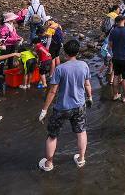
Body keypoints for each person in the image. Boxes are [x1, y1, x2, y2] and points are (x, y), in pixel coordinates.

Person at [38, 40, 92, 172]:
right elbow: (87, 84)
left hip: (62, 107)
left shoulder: (60, 69)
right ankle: (81, 159)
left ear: (65, 52)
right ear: (77, 52)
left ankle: (49, 164)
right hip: (79, 105)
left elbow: (52, 91)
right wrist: (90, 97)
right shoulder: (84, 65)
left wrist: (44, 110)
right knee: (81, 131)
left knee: (52, 135)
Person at [108, 15, 125, 101]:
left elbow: (110, 45)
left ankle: (115, 95)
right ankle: (124, 97)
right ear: (123, 20)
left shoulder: (113, 31)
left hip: (116, 57)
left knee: (116, 76)